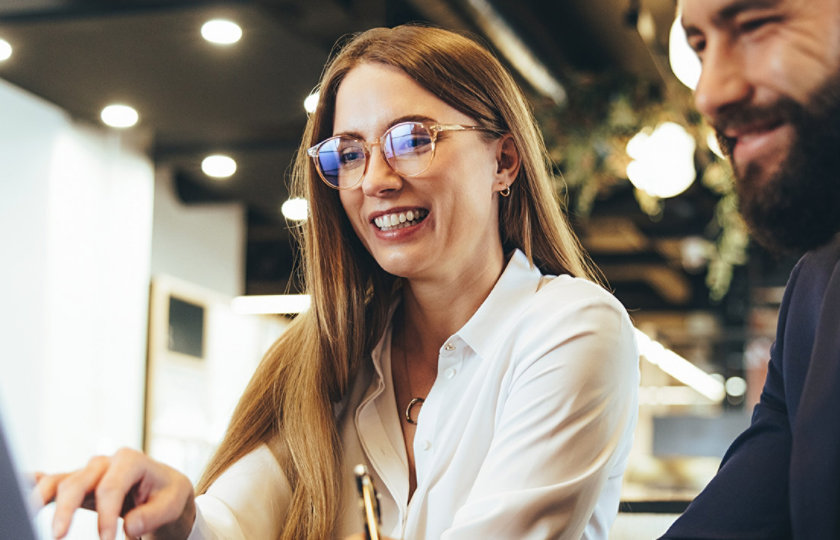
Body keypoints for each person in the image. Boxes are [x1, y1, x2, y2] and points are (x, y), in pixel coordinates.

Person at [36, 25, 639, 540]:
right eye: (348, 153)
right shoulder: (328, 357)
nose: (375, 179)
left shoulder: (572, 328)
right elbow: (232, 520)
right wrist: (179, 515)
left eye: (412, 139)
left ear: (503, 161)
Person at [663, 0, 840, 538]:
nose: (709, 93)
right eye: (700, 46)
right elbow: (741, 513)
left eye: (755, 25)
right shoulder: (819, 288)